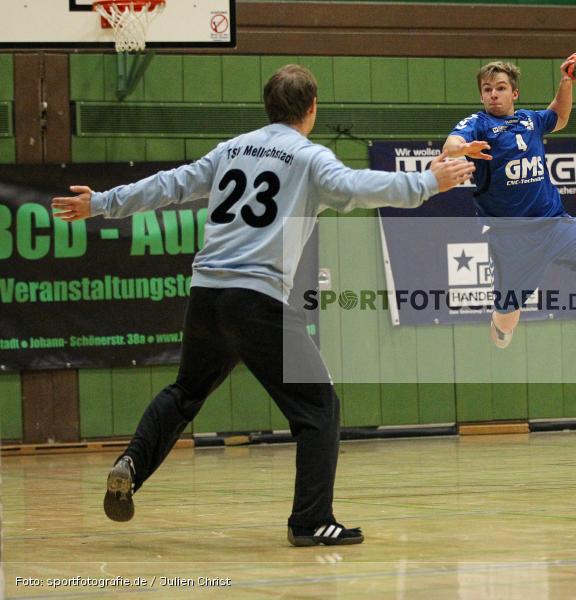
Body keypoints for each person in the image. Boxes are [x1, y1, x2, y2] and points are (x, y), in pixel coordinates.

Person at [51, 64, 475, 547]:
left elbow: (171, 184)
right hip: (256, 300)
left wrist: (102, 202)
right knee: (319, 409)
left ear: (267, 106)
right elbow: (358, 187)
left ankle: (133, 461)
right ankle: (311, 521)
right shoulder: (310, 157)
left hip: (207, 297)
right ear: (312, 109)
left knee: (185, 392)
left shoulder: (231, 149)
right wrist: (427, 182)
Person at [441, 59, 576, 368]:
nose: (493, 95)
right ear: (482, 96)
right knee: (507, 325)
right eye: (487, 90)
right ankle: (499, 321)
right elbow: (451, 143)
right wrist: (461, 149)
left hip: (555, 224)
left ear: (515, 93)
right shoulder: (478, 124)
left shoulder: (530, 120)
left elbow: (560, 115)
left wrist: (566, 82)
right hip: (513, 241)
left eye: (500, 88)